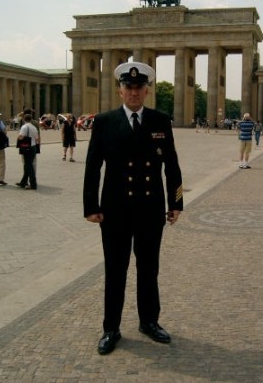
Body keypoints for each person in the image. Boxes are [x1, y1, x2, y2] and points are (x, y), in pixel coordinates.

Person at [83, 62, 183, 355]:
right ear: (120, 90)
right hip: (114, 210)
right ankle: (110, 328)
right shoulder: (104, 121)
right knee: (115, 270)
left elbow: (172, 165)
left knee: (148, 269)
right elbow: (92, 166)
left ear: (147, 91)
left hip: (150, 209)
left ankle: (149, 322)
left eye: (139, 88)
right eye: (128, 88)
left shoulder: (160, 120)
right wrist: (91, 205)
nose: (133, 92)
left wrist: (175, 202)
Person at [16, 113, 39, 189]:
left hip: (27, 148)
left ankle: (33, 184)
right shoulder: (34, 127)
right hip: (33, 148)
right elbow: (36, 139)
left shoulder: (25, 127)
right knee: (27, 165)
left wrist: (18, 136)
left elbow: (21, 137)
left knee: (29, 166)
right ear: (31, 119)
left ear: (24, 119)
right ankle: (23, 182)